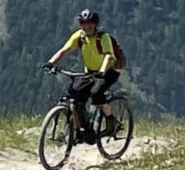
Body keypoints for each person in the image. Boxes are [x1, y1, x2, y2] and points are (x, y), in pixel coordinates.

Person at [46, 9, 128, 138]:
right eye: (83, 24)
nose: (87, 26)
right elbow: (64, 50)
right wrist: (51, 63)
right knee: (75, 95)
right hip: (90, 72)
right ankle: (81, 131)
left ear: (95, 24)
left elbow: (108, 56)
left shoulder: (103, 37)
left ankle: (111, 122)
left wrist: (102, 71)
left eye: (90, 23)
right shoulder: (80, 36)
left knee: (97, 93)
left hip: (108, 71)